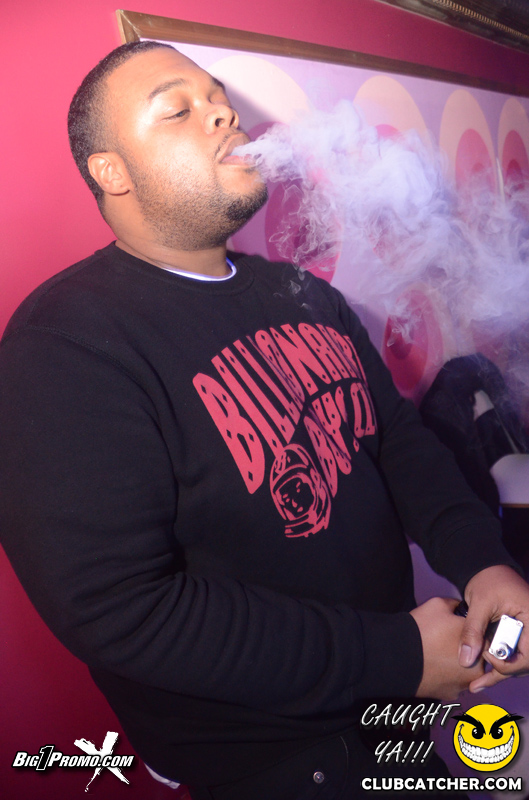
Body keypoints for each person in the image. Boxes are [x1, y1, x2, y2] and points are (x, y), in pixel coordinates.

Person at [1, 41, 529, 799]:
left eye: (218, 98)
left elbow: (396, 444)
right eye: (178, 110)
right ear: (111, 171)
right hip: (269, 753)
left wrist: (482, 560)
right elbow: (120, 610)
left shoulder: (302, 294)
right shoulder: (65, 341)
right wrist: (397, 655)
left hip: (384, 701)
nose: (222, 113)